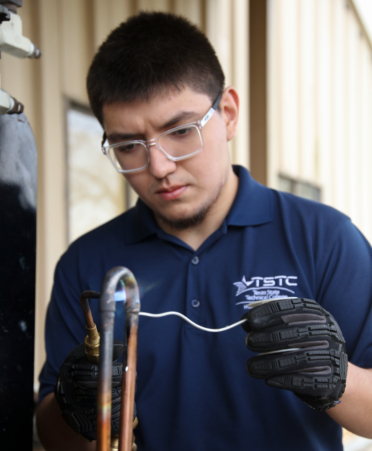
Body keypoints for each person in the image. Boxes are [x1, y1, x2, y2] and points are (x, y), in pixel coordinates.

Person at [36, 11, 372, 451]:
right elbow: (49, 433)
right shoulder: (87, 263)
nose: (159, 167)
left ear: (228, 113)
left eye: (179, 131)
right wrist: (72, 408)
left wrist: (338, 378)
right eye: (128, 145)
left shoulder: (325, 239)